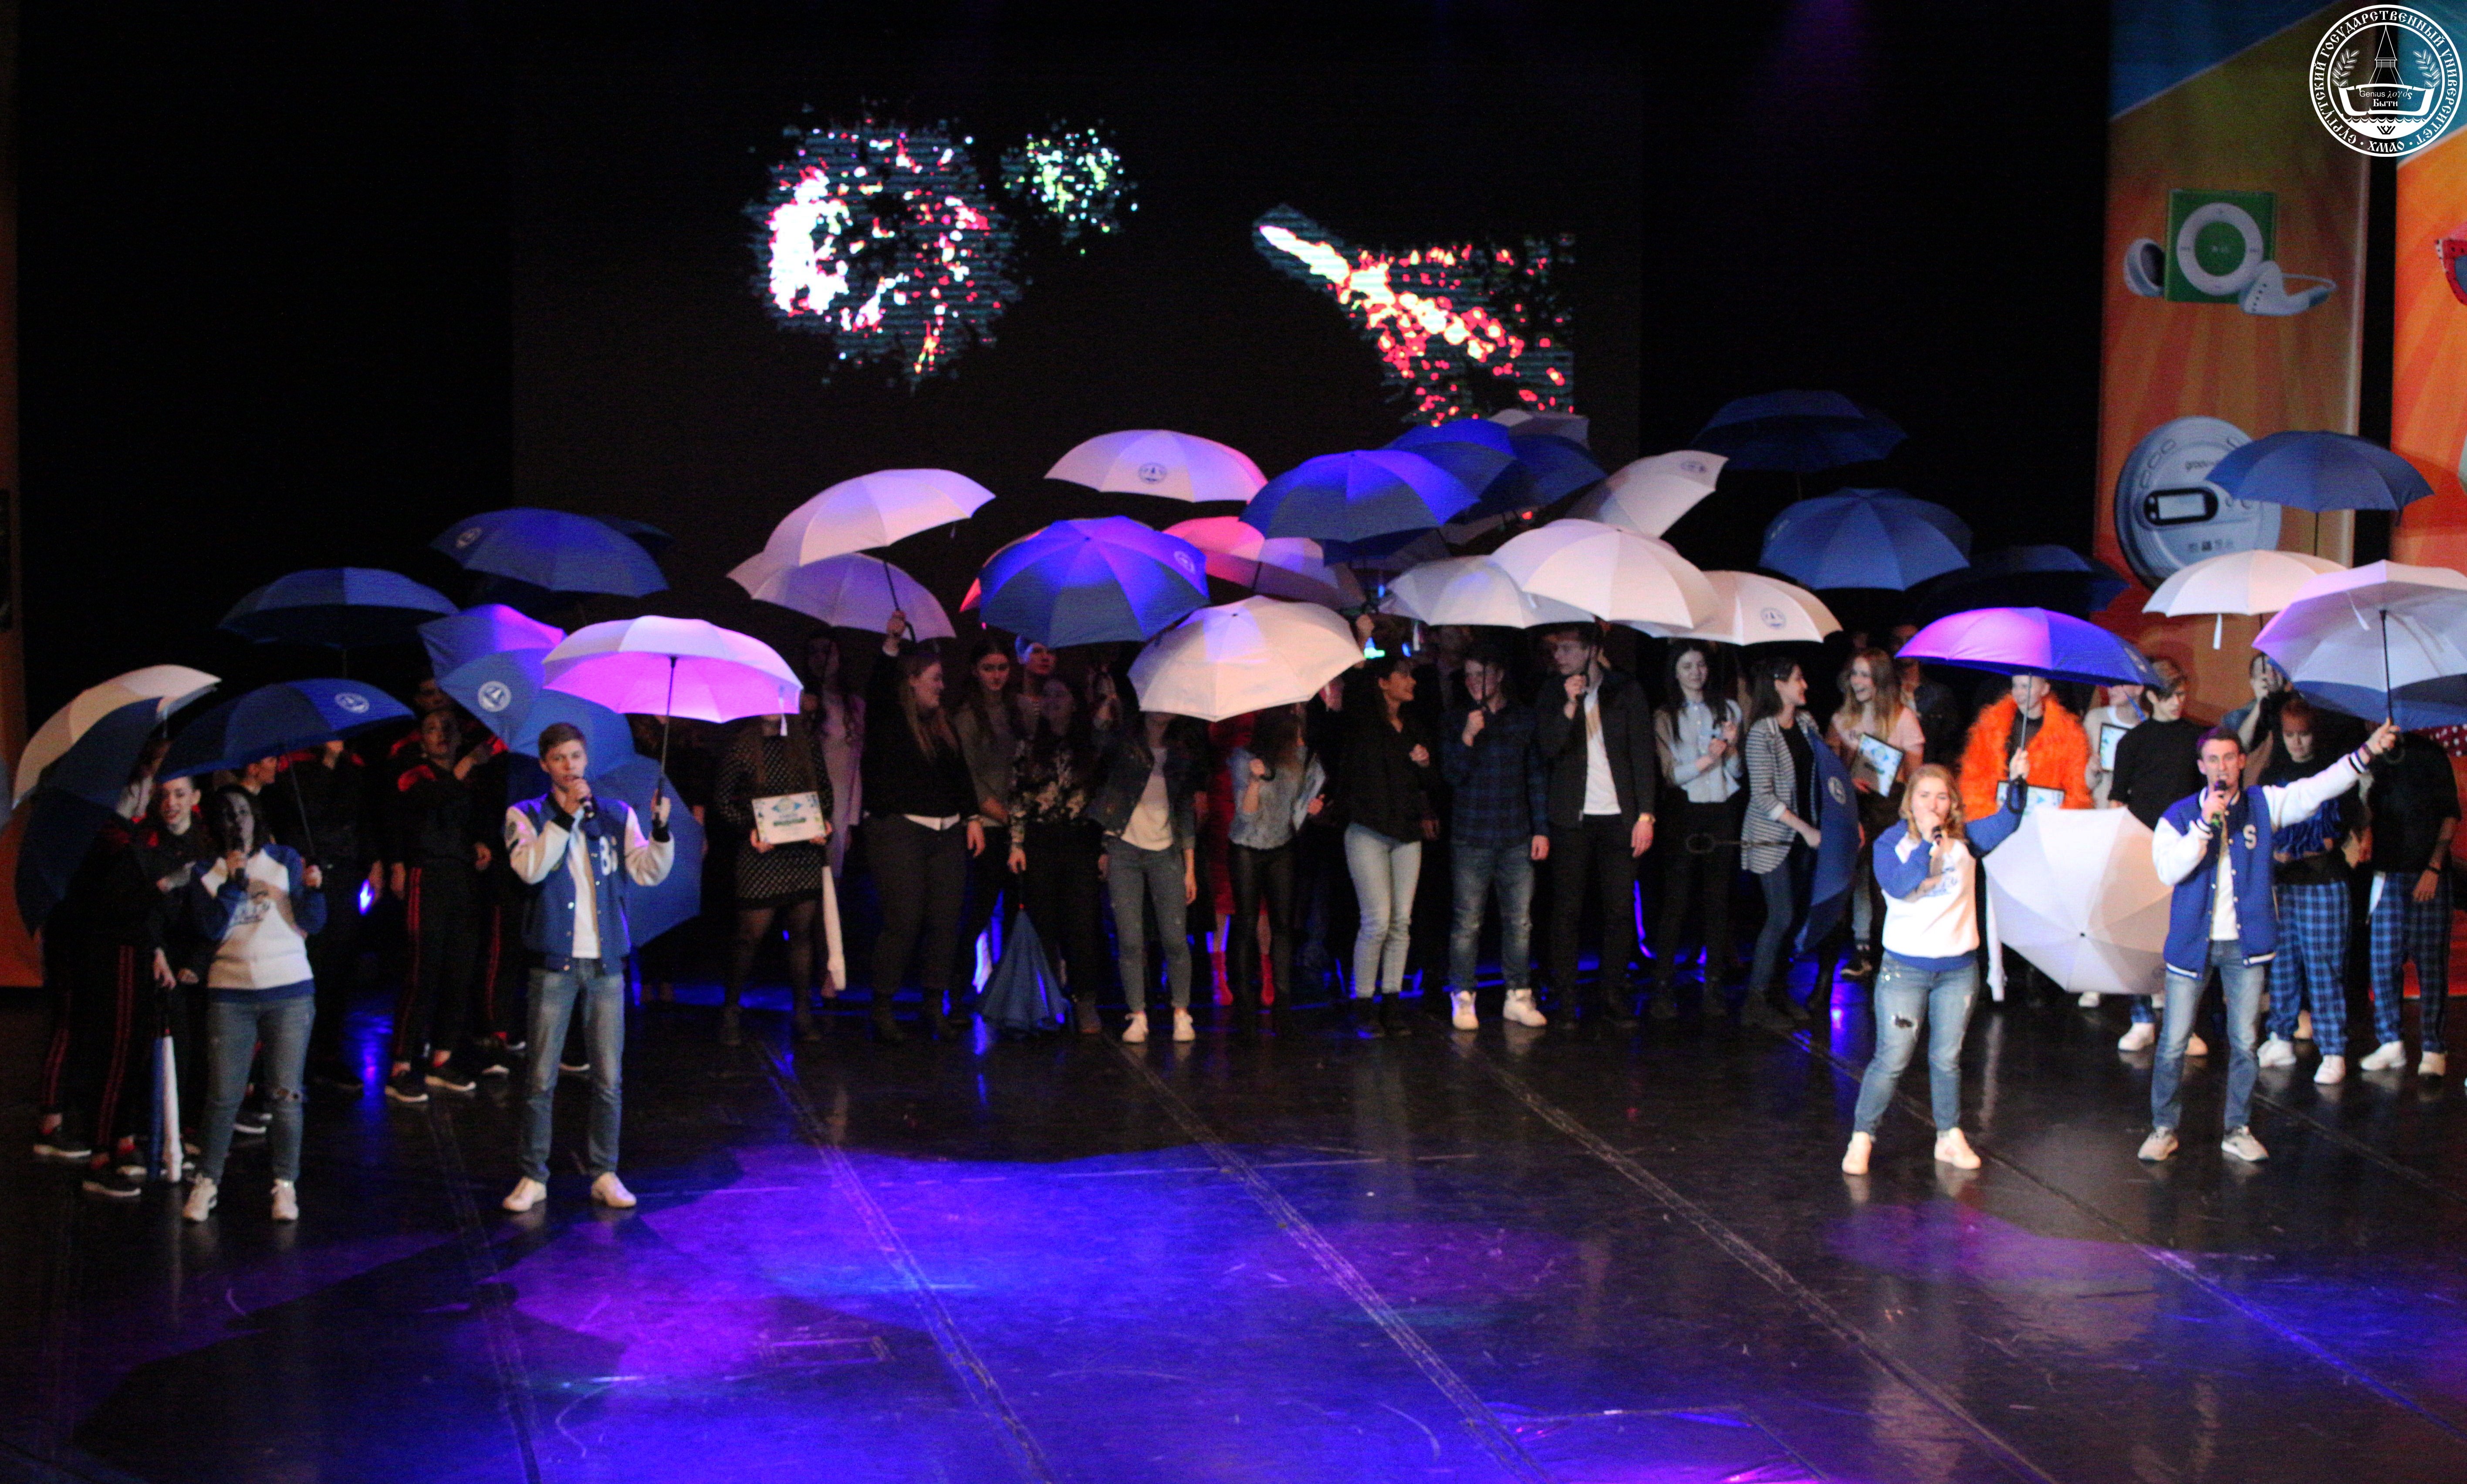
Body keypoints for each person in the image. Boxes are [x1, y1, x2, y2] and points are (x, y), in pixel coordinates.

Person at [2141, 720, 2396, 1164]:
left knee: (2244, 1042)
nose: (2222, 767)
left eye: (2229, 758)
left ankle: (2237, 1129)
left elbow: (2317, 789)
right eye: (2213, 760)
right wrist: (2204, 826)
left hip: (2244, 947)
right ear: (2202, 766)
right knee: (2174, 1043)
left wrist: (2366, 753)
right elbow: (2169, 871)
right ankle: (2164, 1128)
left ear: (2242, 762)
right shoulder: (2177, 817)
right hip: (2192, 946)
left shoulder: (2263, 804)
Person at [499, 723, 674, 1213]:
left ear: (586, 759)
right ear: (545, 765)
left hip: (606, 963)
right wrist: (565, 816)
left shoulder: (615, 814)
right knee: (540, 1077)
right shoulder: (525, 814)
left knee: (608, 1077)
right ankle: (533, 1175)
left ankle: (605, 1172)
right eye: (559, 758)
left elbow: (648, 871)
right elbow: (530, 868)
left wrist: (661, 831)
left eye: (576, 756)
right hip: (554, 963)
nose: (569, 766)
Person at [1840, 764, 2027, 1175]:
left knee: (1946, 1058)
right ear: (1910, 802)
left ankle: (1949, 1135)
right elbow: (1900, 885)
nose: (1933, 804)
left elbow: (2009, 821)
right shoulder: (1891, 843)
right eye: (1924, 795)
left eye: (1942, 797)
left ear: (1952, 803)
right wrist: (1928, 844)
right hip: (1905, 971)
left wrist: (2018, 781)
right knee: (1893, 1058)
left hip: (1958, 971)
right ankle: (1862, 1137)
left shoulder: (1966, 840)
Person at [181, 786, 327, 1223]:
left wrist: (314, 891)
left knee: (286, 1095)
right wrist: (233, 882)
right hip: (231, 993)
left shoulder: (284, 859)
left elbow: (313, 922)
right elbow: (210, 929)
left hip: (289, 989)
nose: (237, 821)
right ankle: (207, 1182)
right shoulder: (204, 871)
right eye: (227, 814)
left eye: (243, 812)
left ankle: (285, 1185)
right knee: (223, 1095)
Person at [78, 776, 219, 1198]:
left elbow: (206, 914)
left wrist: (192, 960)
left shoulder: (202, 846)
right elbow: (123, 908)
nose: (169, 802)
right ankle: (103, 1154)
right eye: (163, 795)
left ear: (195, 798)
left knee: (168, 1051)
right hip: (129, 954)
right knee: (121, 1052)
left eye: (179, 794)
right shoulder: (134, 844)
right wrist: (159, 911)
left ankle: (140, 1139)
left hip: (170, 959)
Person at [863, 615, 983, 1042]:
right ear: (912, 681)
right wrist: (892, 643)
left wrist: (972, 818)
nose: (942, 686)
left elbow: (960, 775)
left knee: (946, 920)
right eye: (935, 679)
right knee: (905, 919)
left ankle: (934, 1006)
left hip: (946, 832)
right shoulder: (891, 718)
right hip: (900, 830)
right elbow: (878, 690)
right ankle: (883, 1006)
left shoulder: (941, 725)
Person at [1533, 625, 1658, 1033]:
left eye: (1568, 649)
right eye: (1556, 649)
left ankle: (1613, 993)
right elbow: (1548, 748)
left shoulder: (1626, 690)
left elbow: (1642, 754)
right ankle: (1567, 997)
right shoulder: (1552, 691)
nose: (1560, 656)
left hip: (1618, 816)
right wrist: (1570, 705)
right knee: (1567, 910)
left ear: (1591, 651)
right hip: (1572, 817)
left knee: (1619, 910)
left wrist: (1646, 815)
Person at [1440, 644, 1547, 1031]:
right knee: (1467, 922)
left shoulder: (1523, 717)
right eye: (1468, 675)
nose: (1474, 682)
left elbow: (1535, 776)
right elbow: (1451, 776)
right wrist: (1468, 736)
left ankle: (1518, 995)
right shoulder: (1456, 718)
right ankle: (1463, 995)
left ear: (1499, 675)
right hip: (1471, 834)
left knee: (1519, 922)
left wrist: (1541, 829)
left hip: (1515, 833)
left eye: (1481, 674)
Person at [713, 712, 835, 1046]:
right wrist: (750, 828)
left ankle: (802, 1012)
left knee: (801, 934)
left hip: (801, 851)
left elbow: (824, 791)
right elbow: (723, 800)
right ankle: (731, 1010)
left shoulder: (804, 743)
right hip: (762, 853)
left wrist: (822, 821)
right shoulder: (742, 747)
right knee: (749, 936)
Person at [2255, 699, 2357, 1084]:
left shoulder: (2330, 773)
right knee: (2282, 964)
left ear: (2316, 733)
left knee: (2323, 967)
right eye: (2290, 735)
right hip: (2284, 883)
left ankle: (2333, 1050)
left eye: (2304, 734)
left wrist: (2296, 850)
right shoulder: (2274, 772)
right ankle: (2280, 1037)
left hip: (2322, 882)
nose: (2297, 743)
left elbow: (2335, 833)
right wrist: (2275, 851)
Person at [2109, 672, 2211, 1050]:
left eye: (2182, 694)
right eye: (2170, 695)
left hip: (2186, 848)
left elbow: (2207, 795)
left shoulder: (2196, 739)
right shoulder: (2133, 741)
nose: (2178, 701)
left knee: (2184, 934)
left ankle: (2183, 1025)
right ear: (2151, 697)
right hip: (2142, 847)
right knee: (2140, 935)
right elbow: (2118, 798)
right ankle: (2141, 1018)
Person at [264, 740, 373, 1092]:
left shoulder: (352, 764)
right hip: (307, 874)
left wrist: (374, 861)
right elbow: (309, 812)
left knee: (340, 968)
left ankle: (328, 1054)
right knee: (310, 968)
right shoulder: (290, 761)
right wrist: (327, 762)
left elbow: (358, 815)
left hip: (343, 873)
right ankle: (296, 1061)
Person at [1339, 655, 1440, 1035]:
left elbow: (1431, 782)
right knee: (1377, 920)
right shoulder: (1365, 722)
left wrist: (1425, 764)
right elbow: (1355, 693)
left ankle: (1393, 1002)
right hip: (1369, 830)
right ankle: (1364, 1002)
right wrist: (1361, 641)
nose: (1411, 682)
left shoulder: (1412, 726)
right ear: (1383, 682)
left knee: (1401, 922)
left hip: (1406, 833)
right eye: (1404, 676)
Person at [1088, 707, 1200, 1042]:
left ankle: (1181, 1012)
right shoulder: (1127, 746)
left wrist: (1190, 868)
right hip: (1125, 849)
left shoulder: (1181, 754)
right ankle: (1137, 1014)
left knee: (1175, 937)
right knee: (1130, 939)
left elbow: (1186, 812)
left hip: (1166, 851)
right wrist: (1104, 710)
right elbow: (1098, 745)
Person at [1006, 674, 1109, 1033]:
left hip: (1080, 841)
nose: (1051, 701)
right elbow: (1017, 796)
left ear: (1075, 702)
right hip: (1040, 840)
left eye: (1059, 695)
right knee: (1043, 924)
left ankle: (1085, 1001)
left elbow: (1104, 800)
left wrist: (1105, 848)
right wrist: (1016, 844)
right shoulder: (1030, 745)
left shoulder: (1091, 746)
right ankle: (1048, 1001)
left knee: (1081, 924)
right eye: (1046, 695)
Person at [1649, 642, 1742, 1019]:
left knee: (1718, 900)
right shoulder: (1666, 716)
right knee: (1677, 901)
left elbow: (1736, 772)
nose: (1696, 673)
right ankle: (1662, 986)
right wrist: (1707, 759)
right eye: (1687, 666)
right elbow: (1670, 775)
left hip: (1721, 809)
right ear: (1675, 672)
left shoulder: (1728, 709)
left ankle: (1714, 986)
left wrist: (1730, 749)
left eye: (1701, 665)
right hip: (1684, 811)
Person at [2359, 727, 2459, 1078]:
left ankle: (2433, 1047)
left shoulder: (2429, 754)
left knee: (2430, 965)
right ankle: (2391, 1042)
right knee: (2383, 961)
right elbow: (2366, 811)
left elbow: (2450, 814)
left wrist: (2434, 867)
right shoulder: (2371, 757)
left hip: (2427, 872)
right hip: (2388, 872)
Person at [1226, 704, 1325, 1035]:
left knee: (1283, 925)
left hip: (1282, 845)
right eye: (1295, 736)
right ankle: (1245, 1002)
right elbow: (1246, 816)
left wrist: (1311, 808)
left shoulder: (1300, 760)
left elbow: (1300, 801)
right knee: (1246, 922)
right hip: (1246, 846)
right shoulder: (1244, 759)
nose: (1300, 742)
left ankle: (1283, 1002)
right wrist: (1255, 782)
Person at [1740, 658, 1828, 1029]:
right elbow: (1763, 795)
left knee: (1795, 919)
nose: (1804, 685)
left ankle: (1777, 990)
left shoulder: (1807, 724)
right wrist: (1804, 829)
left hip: (1804, 838)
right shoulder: (1762, 732)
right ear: (1778, 684)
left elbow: (1823, 770)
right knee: (1781, 916)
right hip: (1771, 838)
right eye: (1797, 679)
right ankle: (1755, 1000)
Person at [1831, 647, 1926, 982]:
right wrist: (1847, 779)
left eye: (1865, 675)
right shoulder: (1842, 719)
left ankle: (1884, 957)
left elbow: (1916, 779)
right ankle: (1851, 955)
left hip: (1889, 808)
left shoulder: (1904, 719)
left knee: (1881, 885)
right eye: (1854, 674)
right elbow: (1830, 772)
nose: (1857, 681)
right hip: (1852, 806)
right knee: (1846, 884)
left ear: (1881, 681)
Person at [951, 639, 1022, 1006]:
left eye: (1002, 668)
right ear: (975, 671)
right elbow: (967, 777)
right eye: (989, 668)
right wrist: (1008, 817)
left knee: (1017, 914)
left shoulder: (1019, 709)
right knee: (977, 911)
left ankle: (1009, 994)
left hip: (1019, 826)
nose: (996, 676)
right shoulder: (966, 717)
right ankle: (958, 993)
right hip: (989, 826)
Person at [1958, 673, 2092, 821]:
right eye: (2015, 686)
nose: (2019, 693)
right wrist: (1990, 817)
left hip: (2045, 820)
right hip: (1996, 816)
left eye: (2026, 687)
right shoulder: (1990, 726)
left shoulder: (2069, 734)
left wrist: (2057, 822)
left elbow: (2076, 788)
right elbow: (1974, 777)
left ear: (2045, 689)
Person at [805, 631, 865, 877]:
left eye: (827, 651)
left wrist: (851, 820)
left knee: (831, 878)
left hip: (839, 802)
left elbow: (855, 766)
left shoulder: (854, 705)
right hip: (805, 798)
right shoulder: (799, 699)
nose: (821, 658)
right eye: (814, 652)